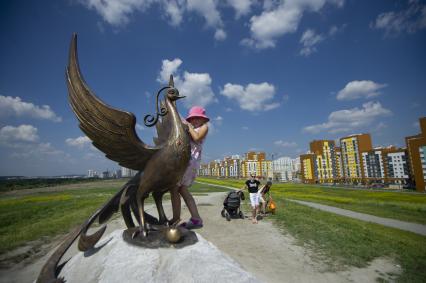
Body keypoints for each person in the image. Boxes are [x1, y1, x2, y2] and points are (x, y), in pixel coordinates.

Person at [171, 106, 209, 229]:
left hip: (190, 161)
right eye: (192, 119)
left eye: (198, 118)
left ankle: (176, 219)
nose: (195, 121)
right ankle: (196, 218)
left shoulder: (204, 128)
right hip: (185, 159)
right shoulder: (191, 129)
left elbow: (197, 138)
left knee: (175, 188)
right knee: (181, 189)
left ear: (203, 120)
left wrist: (189, 126)